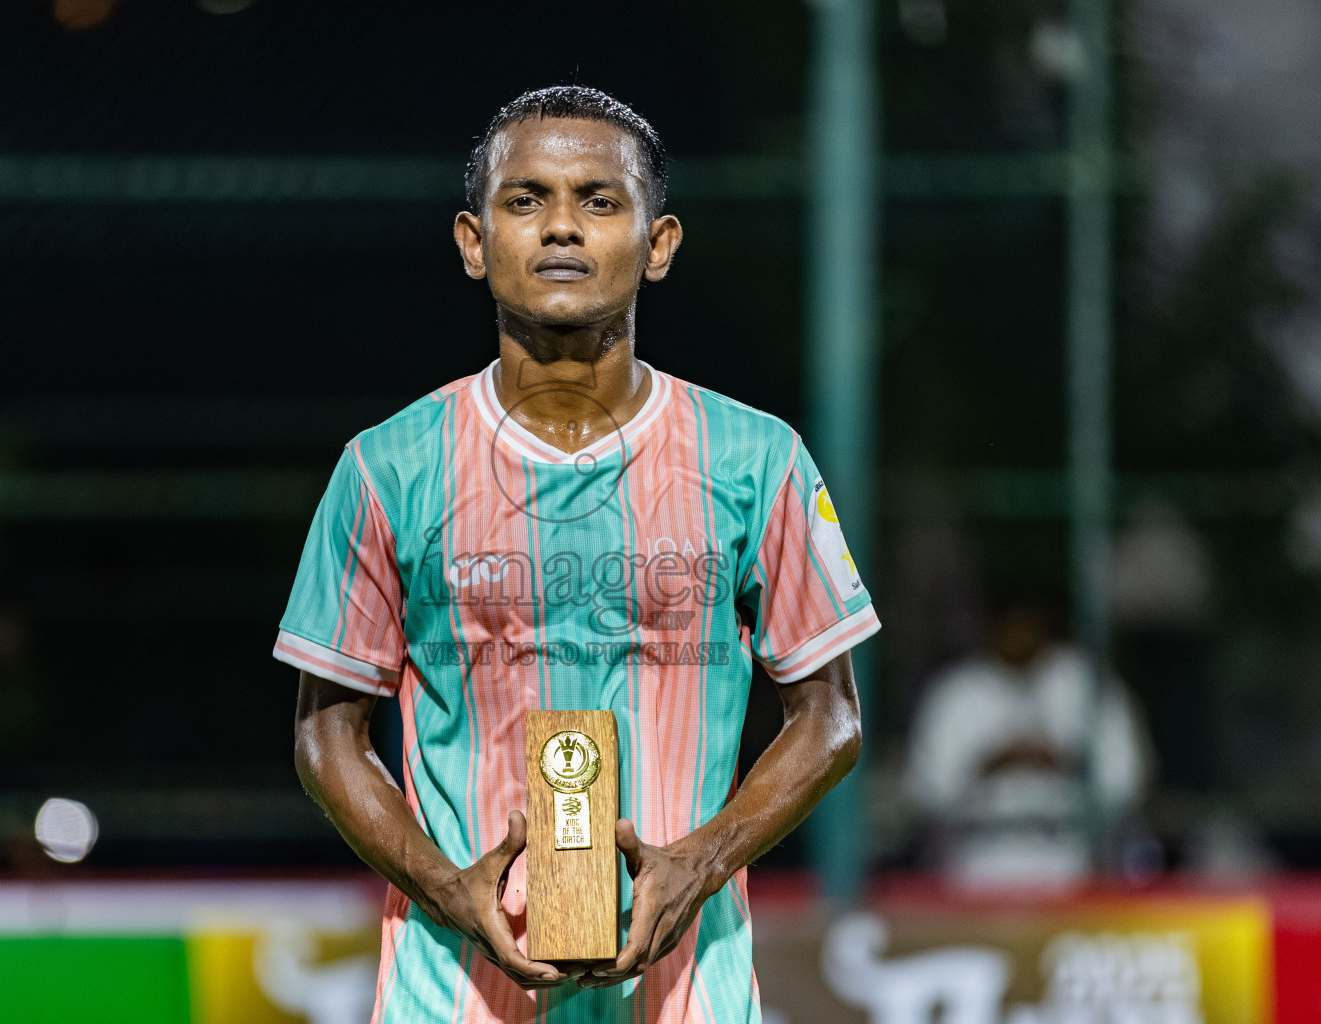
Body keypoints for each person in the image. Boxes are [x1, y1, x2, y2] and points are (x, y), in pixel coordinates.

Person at [277, 86, 880, 1023]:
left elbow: (830, 716)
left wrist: (699, 864)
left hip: (689, 997)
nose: (562, 227)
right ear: (474, 244)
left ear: (660, 243)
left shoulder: (758, 459)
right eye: (526, 200)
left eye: (600, 200)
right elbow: (326, 731)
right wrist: (446, 887)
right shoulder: (387, 466)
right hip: (451, 997)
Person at [903, 595, 1152, 889]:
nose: (1019, 632)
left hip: (1068, 855)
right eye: (1009, 621)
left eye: (1028, 621)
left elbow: (1127, 779)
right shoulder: (956, 691)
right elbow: (924, 790)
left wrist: (1064, 763)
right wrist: (990, 765)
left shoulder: (1083, 681)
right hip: (978, 860)